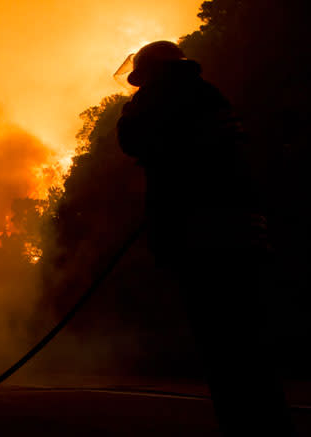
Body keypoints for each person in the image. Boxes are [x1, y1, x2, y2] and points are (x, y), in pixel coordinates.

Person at [117, 41, 295, 435]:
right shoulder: (207, 93)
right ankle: (270, 424)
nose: (138, 87)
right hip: (243, 235)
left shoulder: (162, 97)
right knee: (249, 341)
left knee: (222, 346)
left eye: (141, 79)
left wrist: (131, 108)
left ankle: (246, 427)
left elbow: (132, 139)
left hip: (203, 239)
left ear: (152, 72)